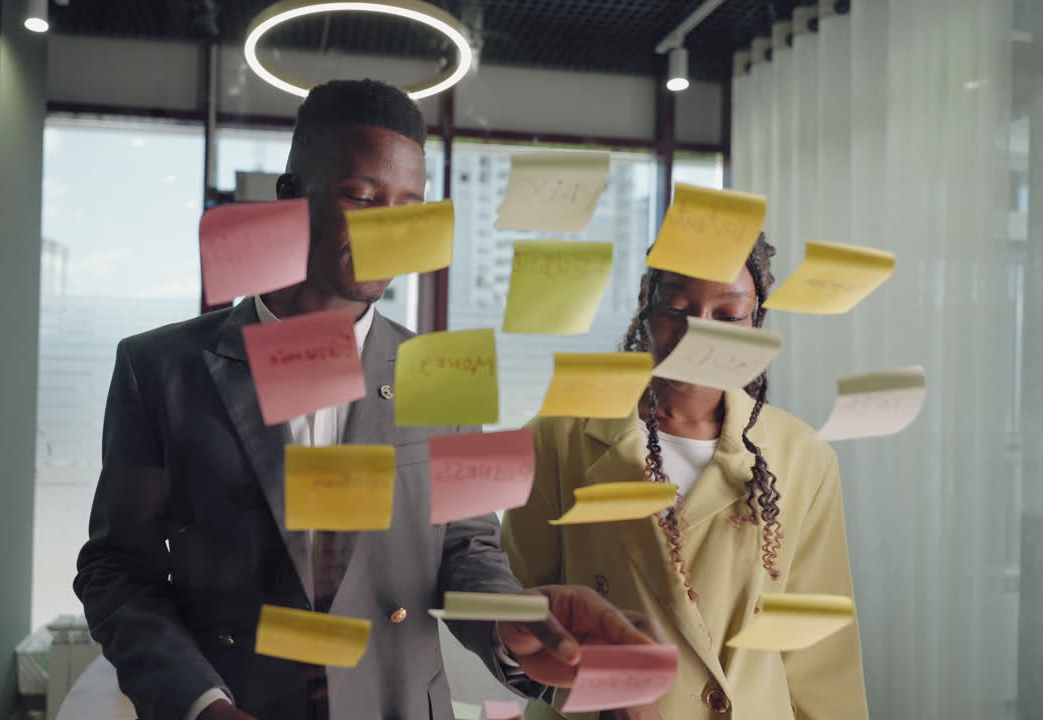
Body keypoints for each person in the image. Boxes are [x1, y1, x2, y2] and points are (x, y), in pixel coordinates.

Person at [75, 79, 656, 720]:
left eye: (410, 205)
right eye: (362, 197)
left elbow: (469, 550)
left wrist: (509, 625)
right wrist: (200, 703)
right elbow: (117, 570)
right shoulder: (161, 369)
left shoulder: (445, 372)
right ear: (292, 197)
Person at [503, 236, 869, 719]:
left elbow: (821, 656)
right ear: (645, 307)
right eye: (676, 306)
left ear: (755, 325)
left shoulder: (802, 457)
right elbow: (514, 613)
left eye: (728, 316)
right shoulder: (556, 439)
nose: (697, 333)